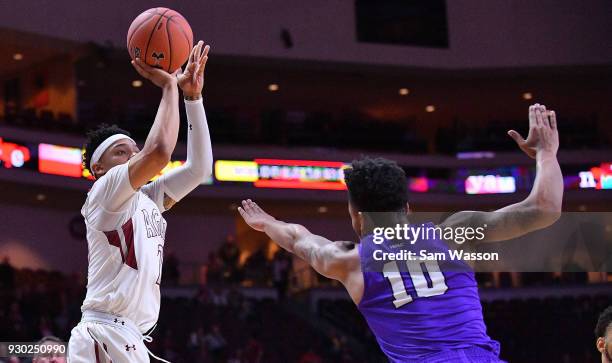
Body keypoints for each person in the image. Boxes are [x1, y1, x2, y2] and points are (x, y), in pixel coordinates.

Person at [239, 104, 563, 362]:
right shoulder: (455, 232)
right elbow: (544, 208)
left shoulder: (349, 261)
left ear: (357, 217)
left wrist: (267, 222)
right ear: (407, 208)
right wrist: (547, 153)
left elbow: (299, 238)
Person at [68, 41, 213, 363]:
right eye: (121, 151)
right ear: (99, 168)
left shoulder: (146, 199)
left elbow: (200, 169)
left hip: (131, 338)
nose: (133, 155)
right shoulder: (105, 190)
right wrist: (168, 88)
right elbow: (159, 151)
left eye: (134, 150)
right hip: (104, 333)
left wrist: (193, 97)